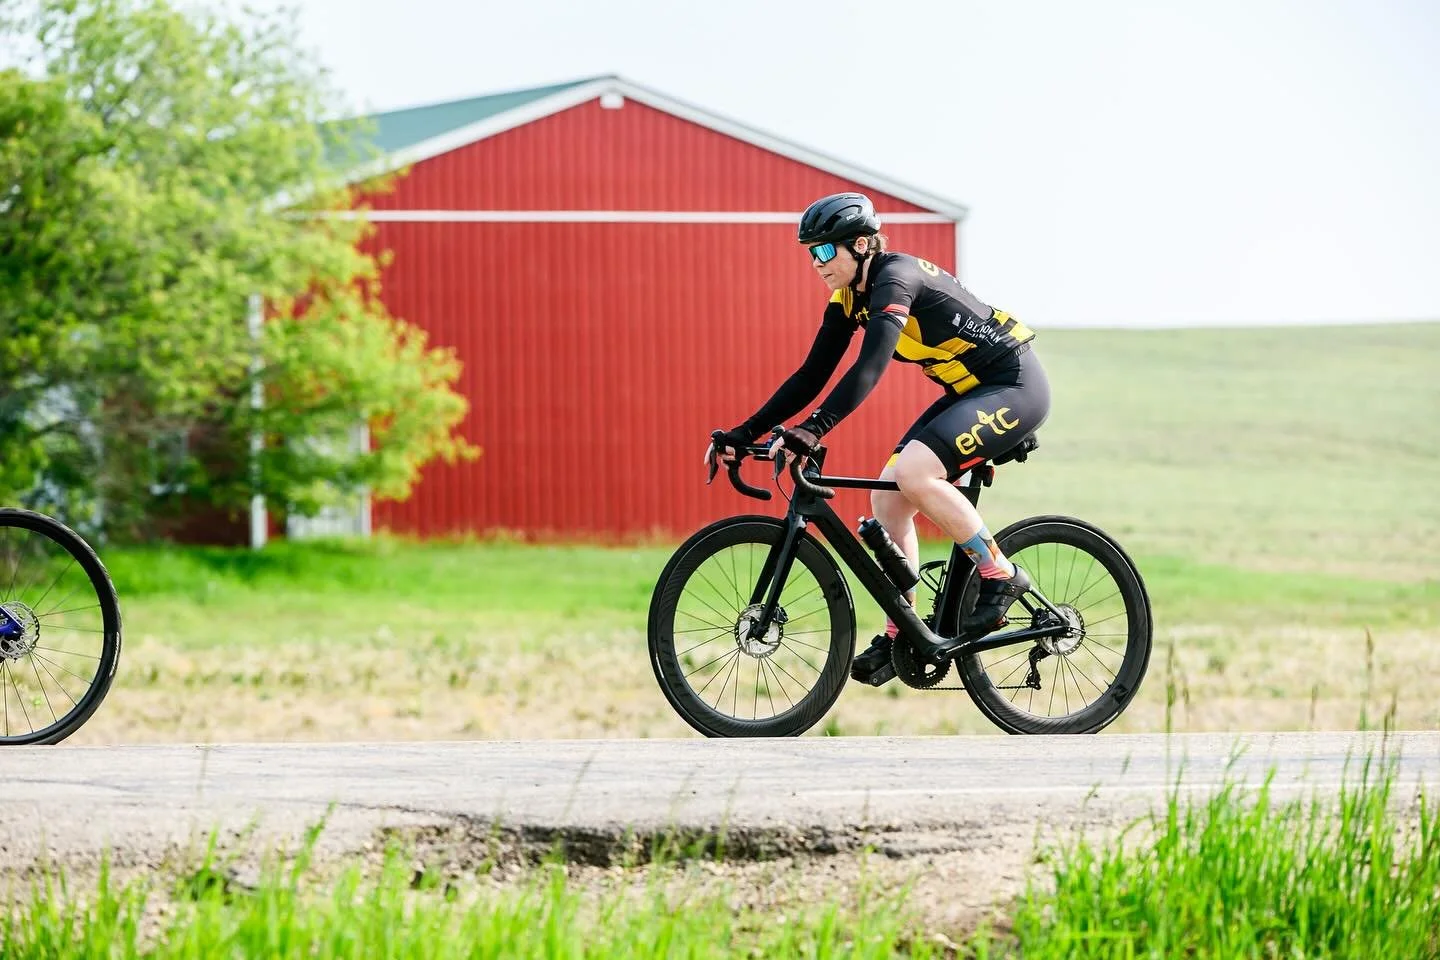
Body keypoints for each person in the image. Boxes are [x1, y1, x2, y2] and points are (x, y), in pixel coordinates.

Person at [706, 192, 1052, 686]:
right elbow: (812, 375)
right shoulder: (848, 299)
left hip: (1014, 384)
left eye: (826, 251)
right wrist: (745, 432)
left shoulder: (896, 279)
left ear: (863, 244)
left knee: (914, 474)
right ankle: (903, 633)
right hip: (968, 391)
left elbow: (869, 368)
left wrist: (815, 428)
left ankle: (1001, 573)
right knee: (888, 499)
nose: (817, 263)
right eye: (811, 253)